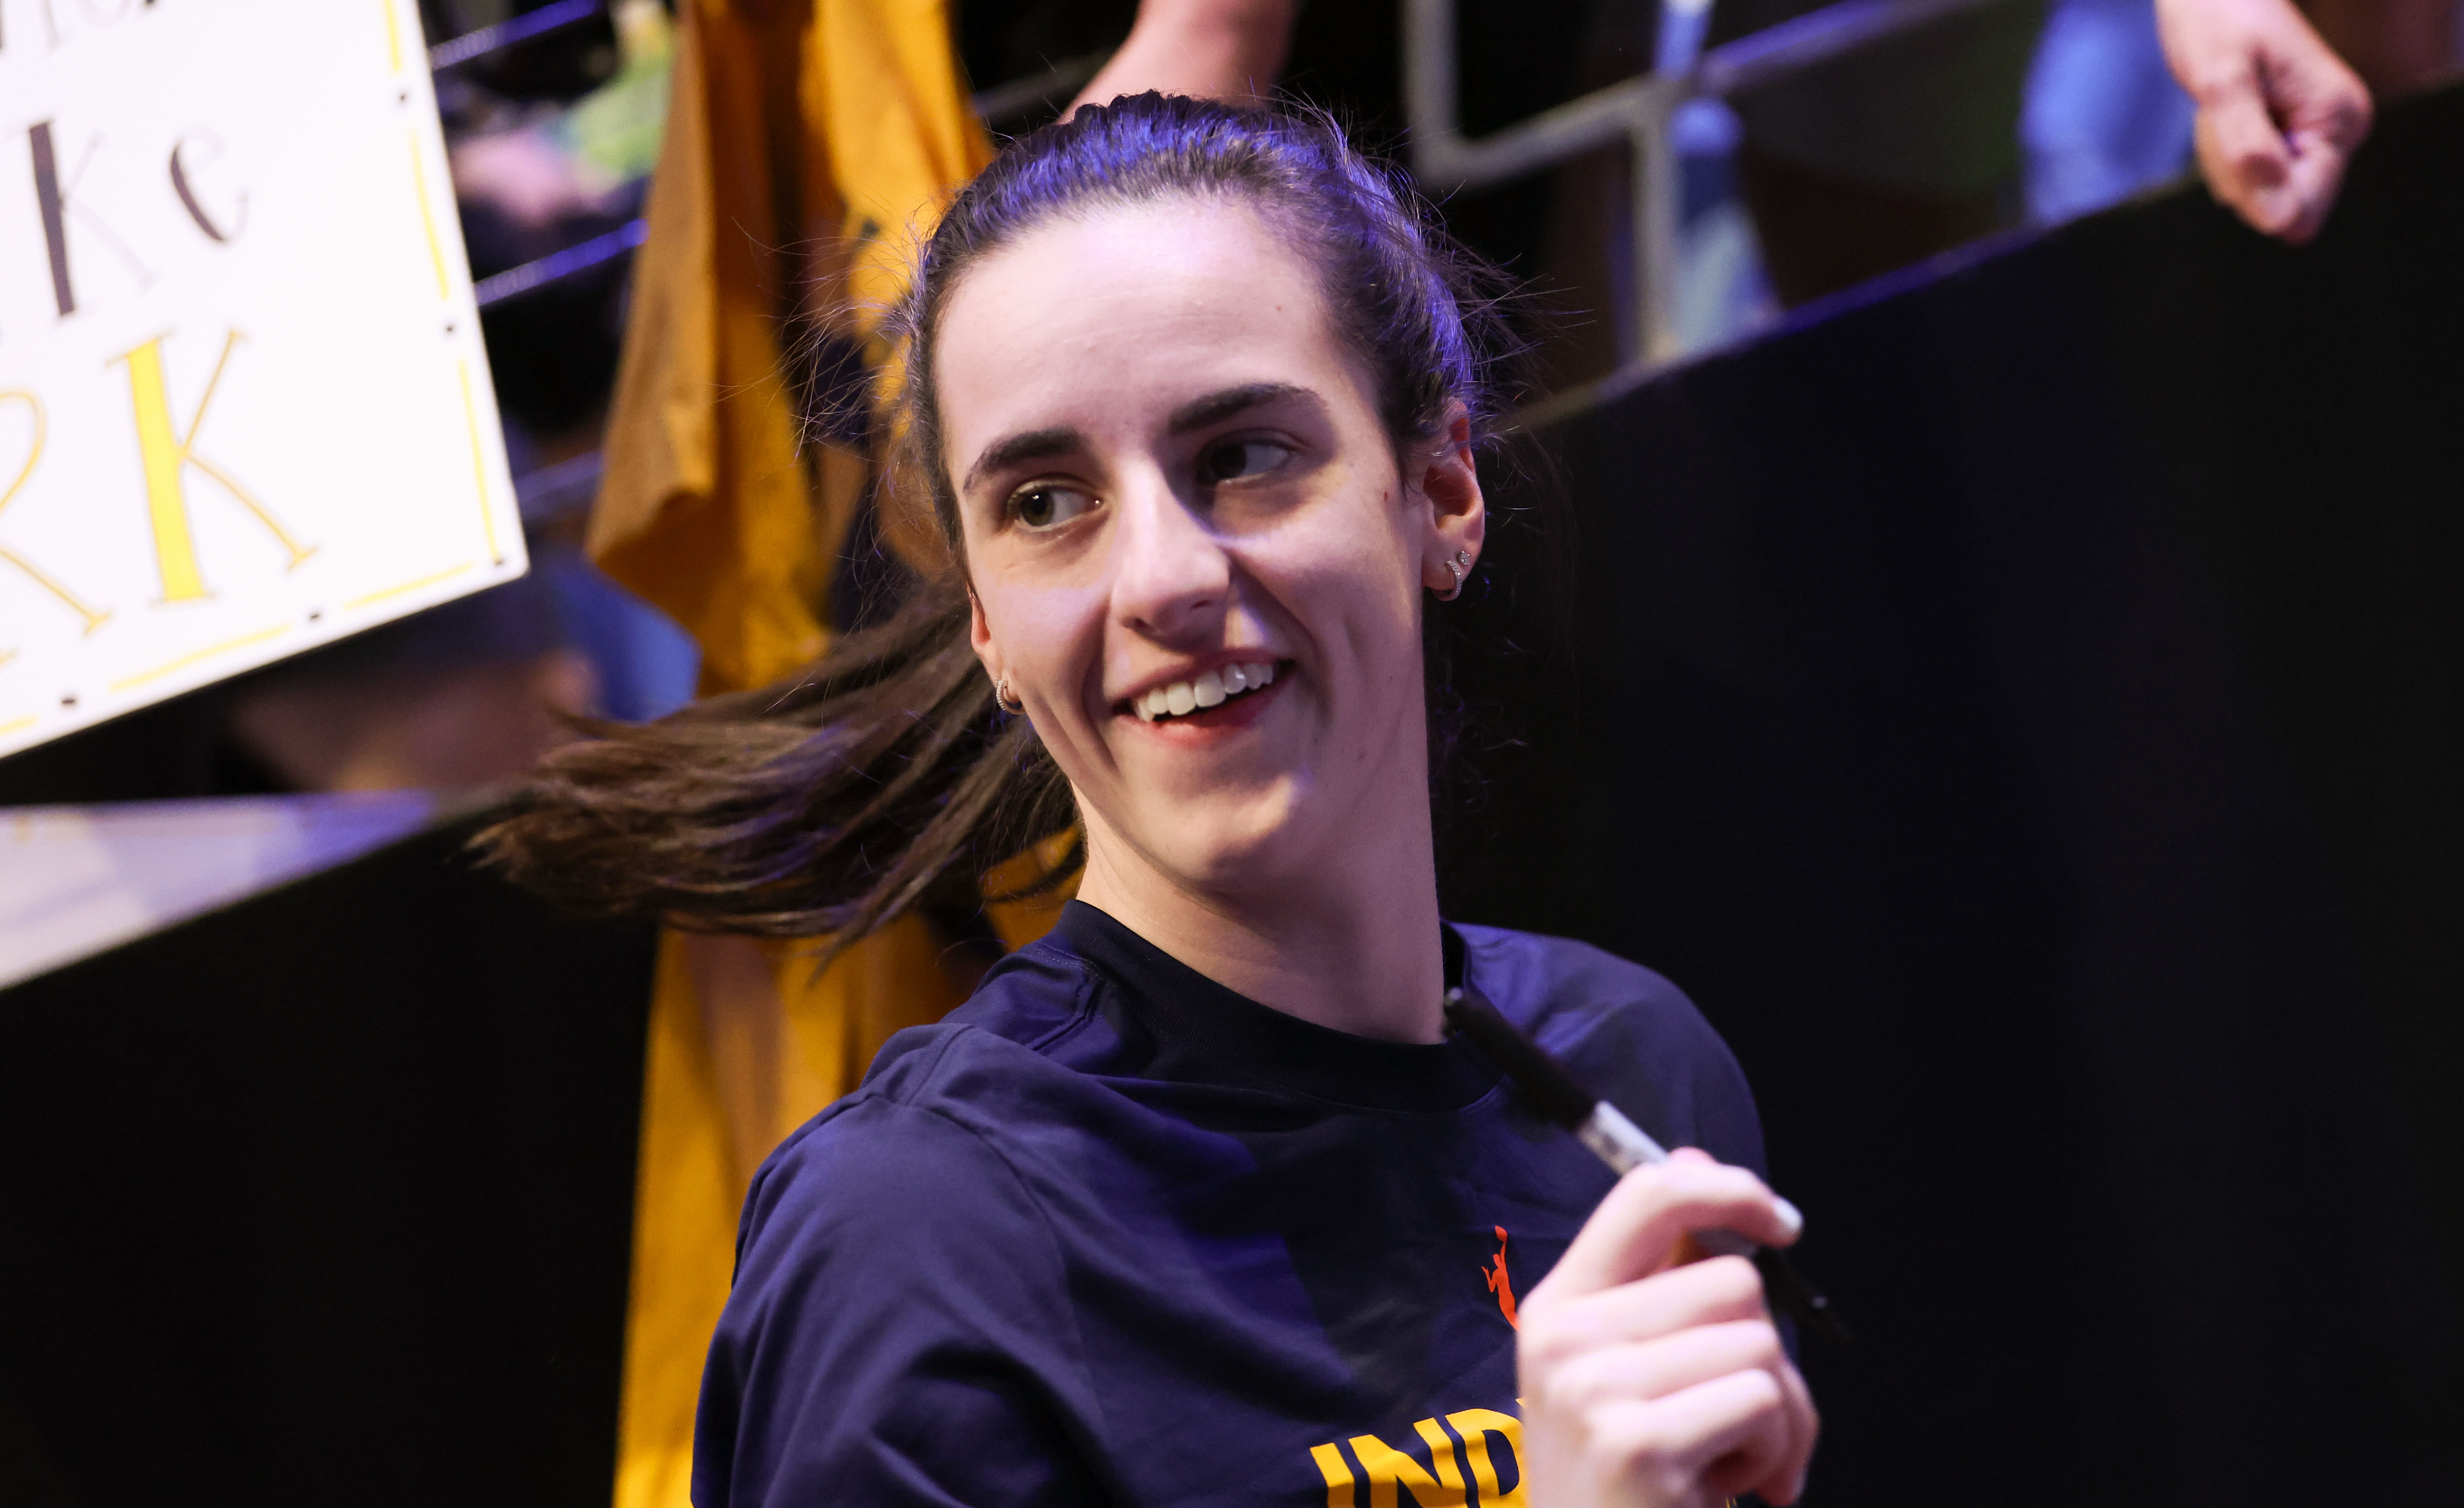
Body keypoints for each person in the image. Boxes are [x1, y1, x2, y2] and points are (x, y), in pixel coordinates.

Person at [486, 93, 1816, 1507]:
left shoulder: (1635, 1075)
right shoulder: (919, 1243)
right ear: (985, 619)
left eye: (1240, 457)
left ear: (1439, 485)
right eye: (1047, 503)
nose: (1164, 580)